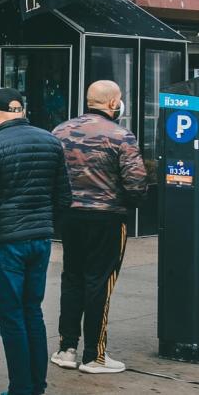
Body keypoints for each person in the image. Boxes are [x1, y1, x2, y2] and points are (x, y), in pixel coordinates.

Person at [0, 87, 69, 395]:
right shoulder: (51, 141)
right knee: (32, 311)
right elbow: (64, 196)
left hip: (5, 241)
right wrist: (46, 224)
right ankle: (37, 384)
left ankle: (21, 387)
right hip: (40, 239)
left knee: (11, 317)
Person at [49, 81, 147, 375]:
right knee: (99, 282)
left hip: (70, 217)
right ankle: (95, 355)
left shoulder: (60, 132)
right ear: (113, 102)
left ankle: (67, 348)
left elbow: (51, 176)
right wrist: (129, 202)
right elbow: (137, 184)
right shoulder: (121, 136)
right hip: (107, 218)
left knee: (73, 278)